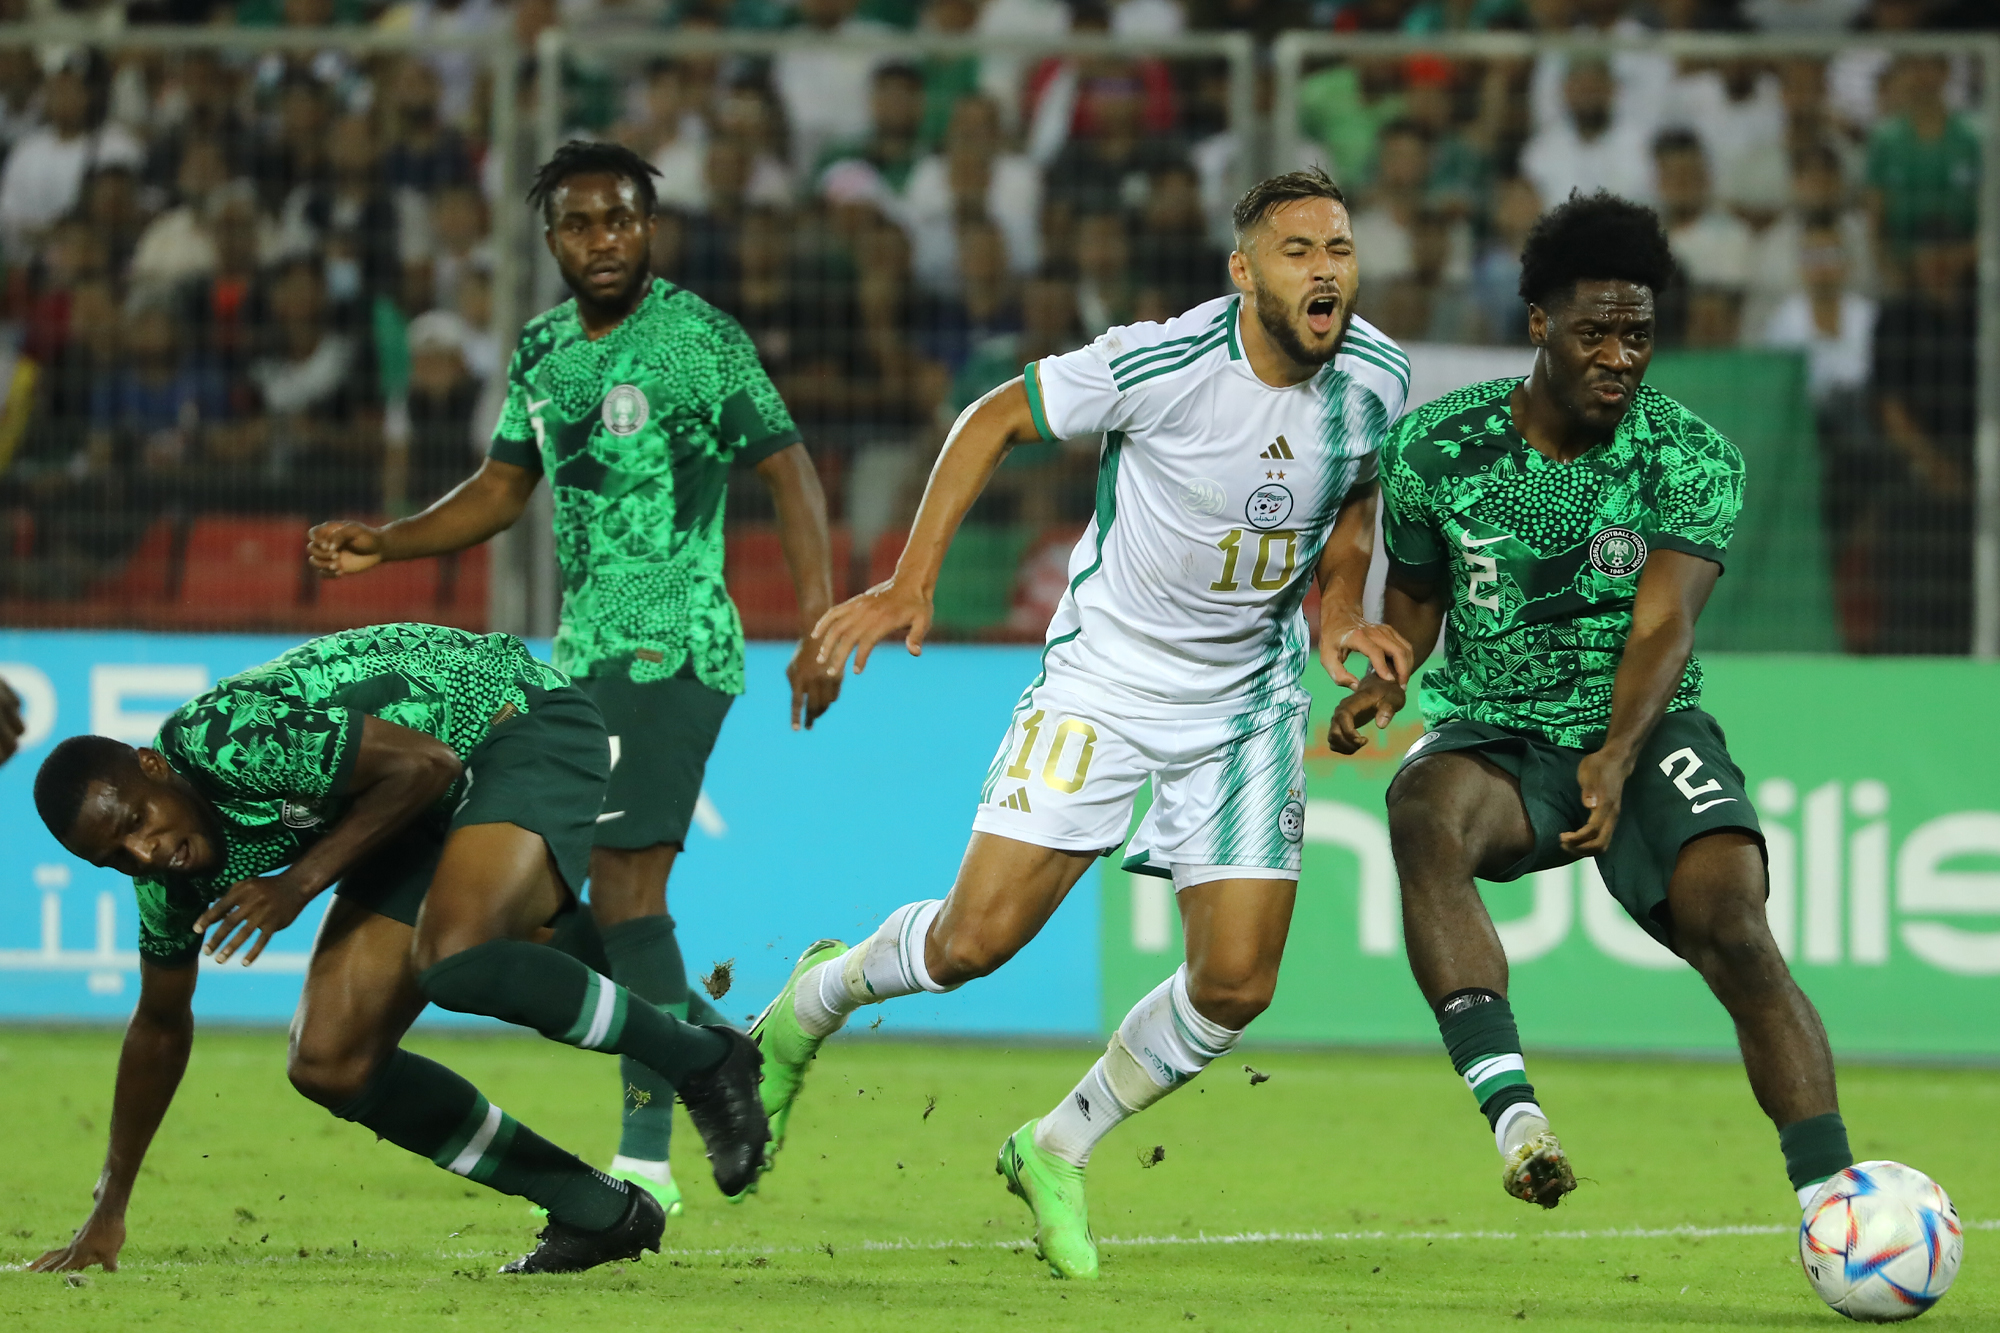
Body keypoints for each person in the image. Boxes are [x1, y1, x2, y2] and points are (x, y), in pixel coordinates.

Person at [749, 166, 1412, 1281]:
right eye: (1297, 251)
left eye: (1338, 249)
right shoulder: (1164, 361)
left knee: (1237, 983)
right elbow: (993, 415)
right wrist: (913, 580)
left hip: (1244, 700)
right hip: (1103, 681)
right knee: (971, 945)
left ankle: (1054, 1143)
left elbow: (1354, 493)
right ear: (1243, 272)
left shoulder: (1378, 380)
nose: (1325, 272)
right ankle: (815, 993)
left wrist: (1340, 602)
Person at [307, 141, 841, 1217]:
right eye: (581, 224)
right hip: (579, 660)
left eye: (623, 220)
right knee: (550, 916)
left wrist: (820, 622)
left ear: (650, 227)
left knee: (626, 887)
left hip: (678, 646)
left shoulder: (697, 340)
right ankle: (720, 1046)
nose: (604, 240)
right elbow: (503, 489)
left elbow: (786, 467)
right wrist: (393, 541)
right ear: (550, 238)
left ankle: (647, 1152)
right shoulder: (543, 349)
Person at [1329, 192, 1855, 1228]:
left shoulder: (1689, 454)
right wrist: (1387, 678)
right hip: (1494, 732)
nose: (1620, 356)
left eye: (1638, 334)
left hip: (1644, 730)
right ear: (1538, 325)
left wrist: (1614, 757)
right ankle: (1514, 1116)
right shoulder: (1435, 448)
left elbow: (1661, 625)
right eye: (1594, 332)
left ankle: (1836, 1200)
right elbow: (1418, 598)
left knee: (1734, 928)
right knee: (1420, 810)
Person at [25, 624, 770, 1276]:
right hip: (410, 814)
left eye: (137, 820)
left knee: (458, 953)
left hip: (506, 722)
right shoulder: (165, 882)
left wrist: (298, 885)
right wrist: (110, 1203)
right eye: (115, 855)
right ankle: (596, 1210)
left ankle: (706, 1060)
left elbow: (430, 764)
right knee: (328, 1061)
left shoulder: (230, 736)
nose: (144, 851)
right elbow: (158, 1025)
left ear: (152, 767)